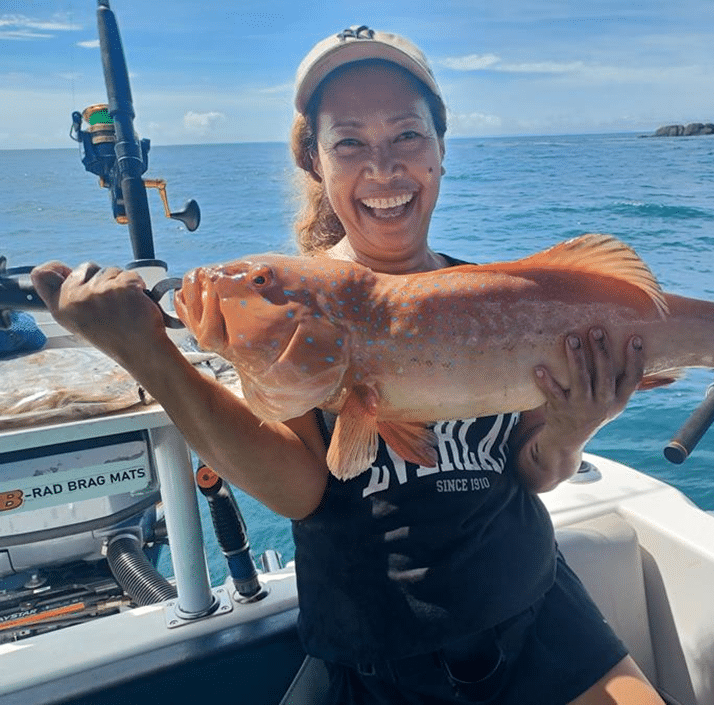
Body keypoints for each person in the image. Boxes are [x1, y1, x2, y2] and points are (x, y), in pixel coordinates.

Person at [31, 26, 663, 705]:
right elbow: (300, 489)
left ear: (441, 151)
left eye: (406, 136)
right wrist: (149, 354)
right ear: (317, 163)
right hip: (376, 654)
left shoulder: (501, 296)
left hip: (541, 615)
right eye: (350, 142)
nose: (383, 167)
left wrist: (574, 426)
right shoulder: (289, 303)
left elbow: (535, 472)